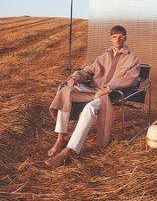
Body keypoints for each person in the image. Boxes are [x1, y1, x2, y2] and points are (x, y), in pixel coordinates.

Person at [45, 25, 140, 167]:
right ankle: (61, 137)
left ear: (125, 38)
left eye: (120, 37)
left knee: (89, 108)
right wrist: (75, 77)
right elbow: (88, 71)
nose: (117, 40)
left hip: (110, 95)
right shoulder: (103, 56)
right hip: (93, 90)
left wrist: (108, 87)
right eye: (114, 37)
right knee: (65, 92)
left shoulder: (133, 59)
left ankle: (68, 151)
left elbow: (131, 79)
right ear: (111, 38)